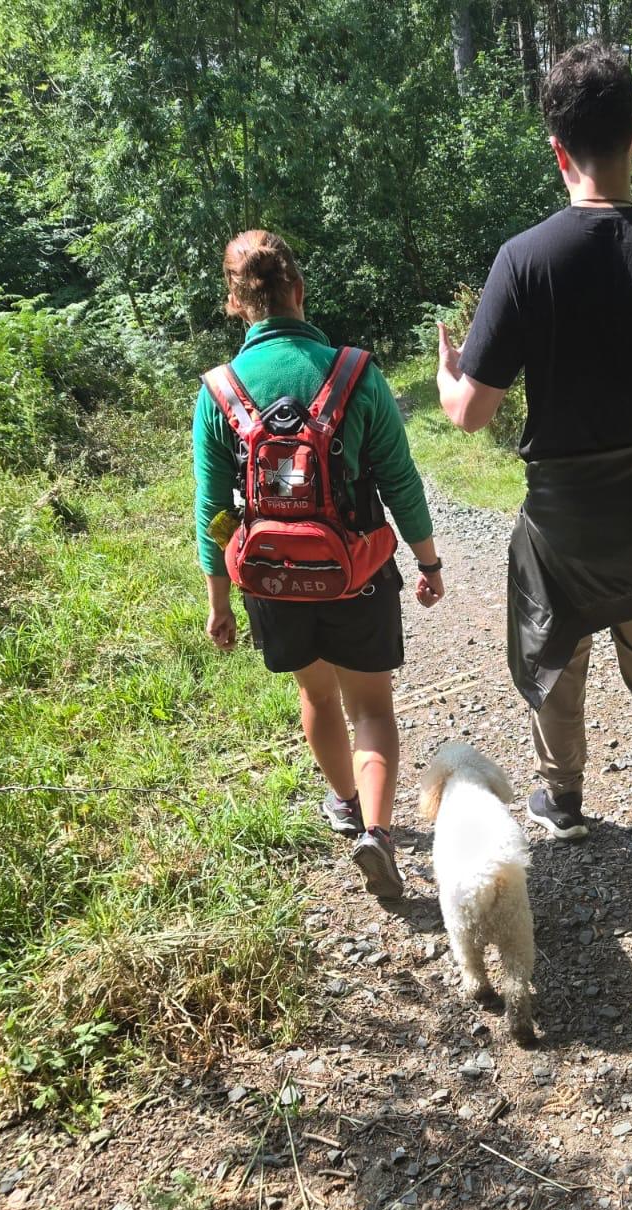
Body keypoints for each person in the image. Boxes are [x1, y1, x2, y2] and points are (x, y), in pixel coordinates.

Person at [436, 42, 632, 904]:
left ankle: (562, 797)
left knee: (553, 655)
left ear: (557, 149)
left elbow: (471, 413)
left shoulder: (524, 261)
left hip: (560, 522)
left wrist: (445, 375)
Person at [194, 230, 444, 899]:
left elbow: (212, 511)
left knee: (316, 694)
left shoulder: (218, 391)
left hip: (272, 581)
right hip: (357, 573)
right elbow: (401, 482)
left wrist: (220, 601)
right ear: (299, 290)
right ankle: (379, 833)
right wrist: (428, 561)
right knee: (371, 706)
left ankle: (344, 804)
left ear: (235, 303)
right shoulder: (355, 373)